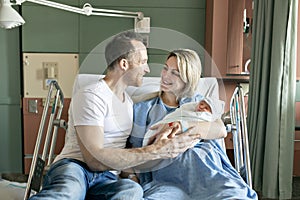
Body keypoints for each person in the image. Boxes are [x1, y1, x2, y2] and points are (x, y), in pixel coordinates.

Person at [29, 31, 201, 200]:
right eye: (143, 62)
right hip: (76, 167)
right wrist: (156, 151)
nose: (148, 69)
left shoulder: (129, 103)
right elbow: (93, 160)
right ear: (124, 64)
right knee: (70, 192)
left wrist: (133, 175)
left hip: (107, 178)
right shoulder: (92, 95)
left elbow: (124, 151)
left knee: (132, 191)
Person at [129, 49, 258, 199]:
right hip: (167, 181)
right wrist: (133, 177)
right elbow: (135, 153)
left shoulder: (200, 104)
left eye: (175, 73)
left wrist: (181, 125)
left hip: (209, 174)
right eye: (165, 68)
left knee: (233, 195)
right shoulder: (143, 109)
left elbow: (220, 130)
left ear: (188, 78)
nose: (165, 76)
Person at [143, 97, 225, 146]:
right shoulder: (146, 106)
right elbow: (175, 116)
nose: (202, 107)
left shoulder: (208, 118)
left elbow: (220, 130)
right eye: (202, 104)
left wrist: (181, 126)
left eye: (206, 108)